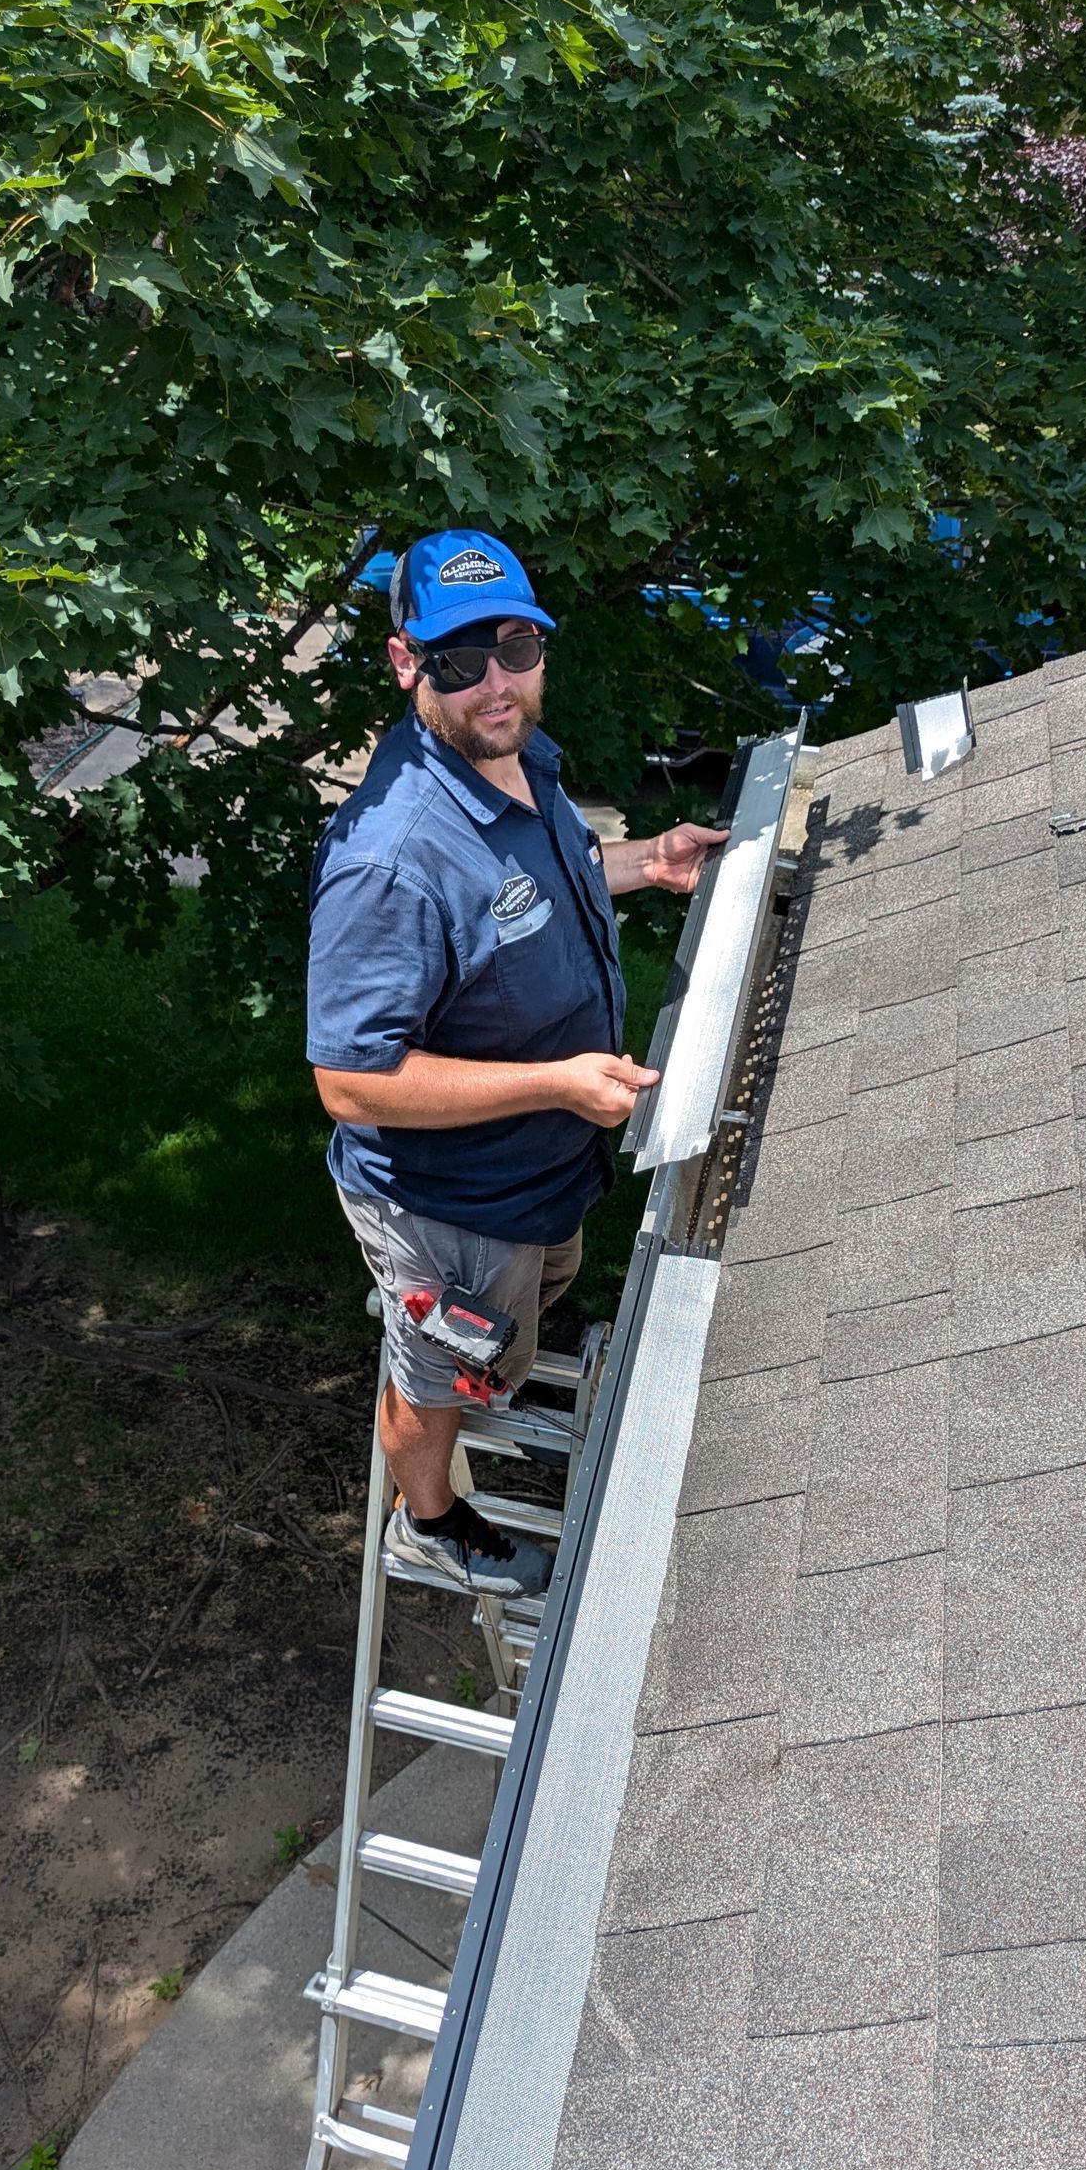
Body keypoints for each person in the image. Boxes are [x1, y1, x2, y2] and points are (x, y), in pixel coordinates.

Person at [306, 529, 726, 1598]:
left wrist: (646, 862)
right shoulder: (390, 860)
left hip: (543, 1179)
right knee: (438, 1383)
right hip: (455, 1208)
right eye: (459, 660)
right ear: (407, 663)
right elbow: (351, 1082)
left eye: (516, 644)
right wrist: (556, 1082)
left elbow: (546, 879)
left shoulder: (514, 751)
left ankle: (500, 1373)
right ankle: (431, 1519)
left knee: (518, 1328)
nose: (496, 681)